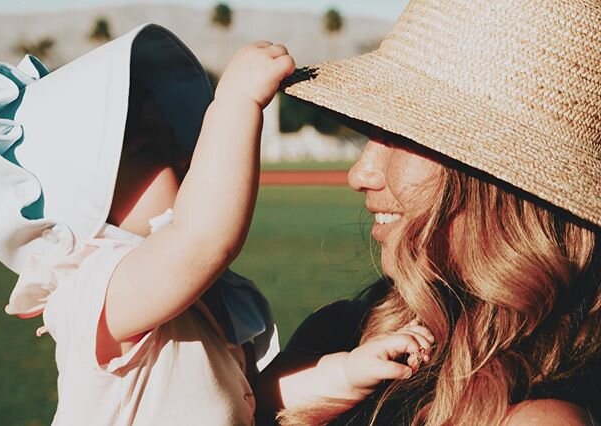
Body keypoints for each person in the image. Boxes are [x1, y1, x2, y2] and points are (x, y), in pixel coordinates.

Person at [255, 0, 601, 424]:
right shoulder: (334, 340)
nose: (360, 173)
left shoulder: (537, 414)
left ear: (495, 185)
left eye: (397, 134)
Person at [0, 24, 296, 424]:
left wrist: (334, 375)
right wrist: (235, 101)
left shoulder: (181, 300)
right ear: (84, 202)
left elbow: (243, 401)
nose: (182, 156)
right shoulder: (95, 291)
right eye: (149, 149)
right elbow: (202, 239)